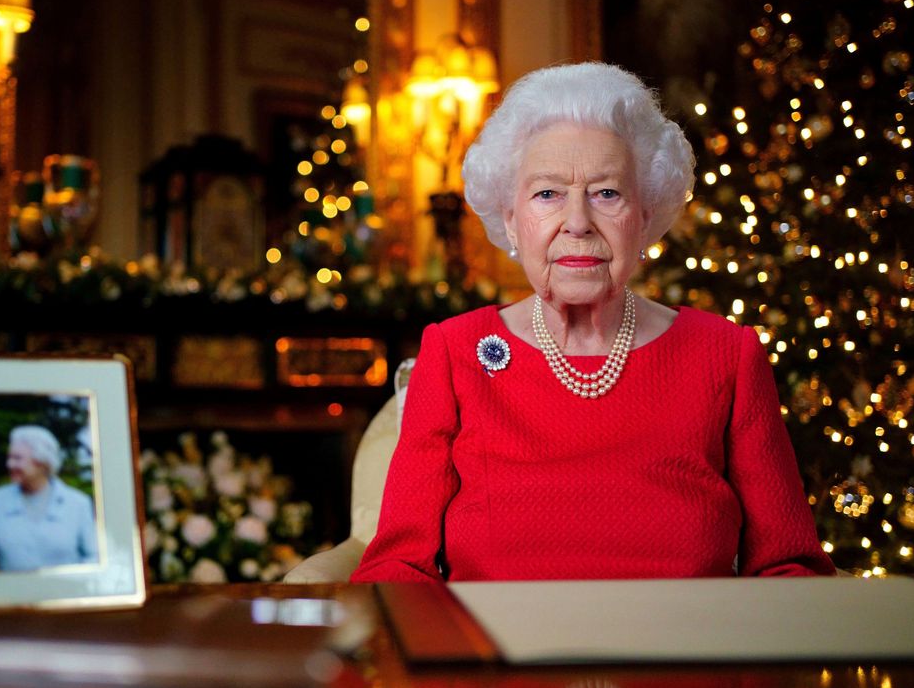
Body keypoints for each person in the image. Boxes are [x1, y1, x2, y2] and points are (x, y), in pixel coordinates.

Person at [351, 62, 835, 583]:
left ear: (645, 216)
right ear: (511, 219)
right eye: (547, 194)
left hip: (683, 656)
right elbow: (397, 568)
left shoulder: (724, 354)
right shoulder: (455, 351)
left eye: (607, 193)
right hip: (498, 657)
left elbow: (789, 566)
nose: (578, 222)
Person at [0, 425, 98, 571]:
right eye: (9, 457)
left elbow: (93, 557)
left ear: (42, 463)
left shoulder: (78, 503)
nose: (9, 464)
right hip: (11, 593)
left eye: (17, 458)